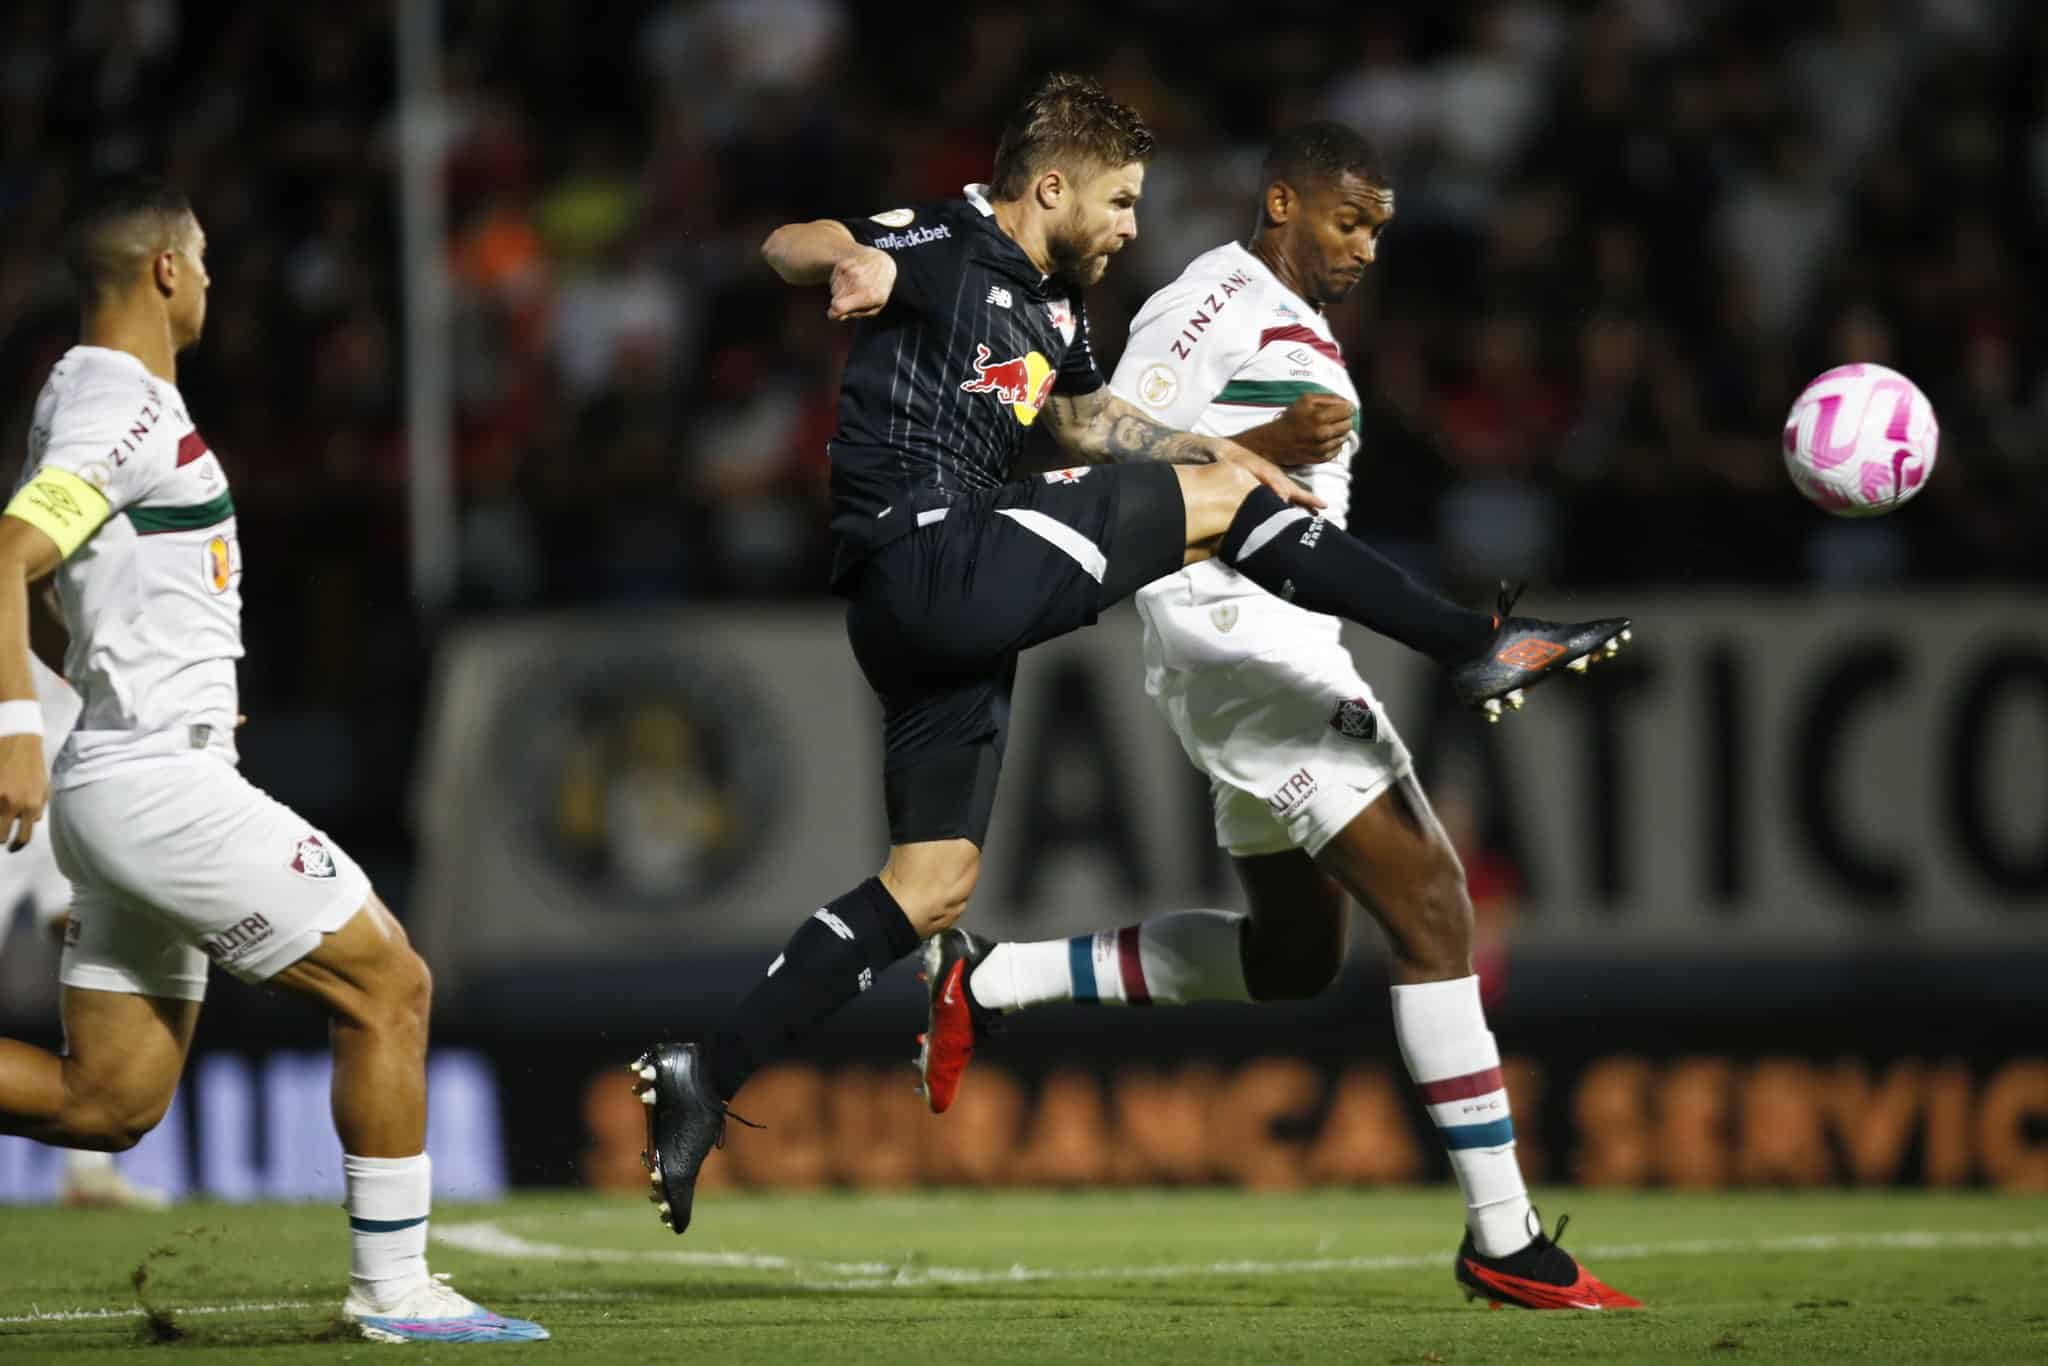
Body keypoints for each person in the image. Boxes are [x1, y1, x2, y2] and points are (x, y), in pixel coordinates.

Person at [632, 76, 1629, 1242]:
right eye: (1118, 202)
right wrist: (845, 264)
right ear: (1050, 185)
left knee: (930, 886)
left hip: (925, 610)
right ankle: (1472, 640)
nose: (1129, 228)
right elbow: (791, 240)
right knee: (1211, 506)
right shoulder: (947, 240)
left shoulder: (1054, 314)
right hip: (932, 552)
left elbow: (1091, 427)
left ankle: (705, 1071)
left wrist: (1225, 456)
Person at [914, 123, 1637, 1311]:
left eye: (1379, 229)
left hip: (1258, 640)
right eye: (1346, 220)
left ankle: (989, 981)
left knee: (1292, 958)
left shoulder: (1298, 325)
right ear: (1282, 201)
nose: (1362, 247)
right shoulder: (1213, 297)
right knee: (1434, 906)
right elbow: (1105, 465)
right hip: (1240, 635)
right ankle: (1502, 1237)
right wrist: (1258, 446)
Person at [0, 175, 546, 1344]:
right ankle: (395, 1292)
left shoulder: (72, 395)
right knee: (389, 983)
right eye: (200, 258)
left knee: (108, 1100)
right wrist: (18, 733)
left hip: (133, 768)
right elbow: (5, 557)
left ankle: (395, 1288)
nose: (209, 279)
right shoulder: (127, 410)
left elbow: (67, 587)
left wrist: (119, 674)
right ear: (162, 269)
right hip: (154, 783)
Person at [0, 651, 168, 1209]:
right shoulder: (18, 569)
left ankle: (88, 1171)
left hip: (74, 788)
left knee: (97, 948)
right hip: (8, 781)